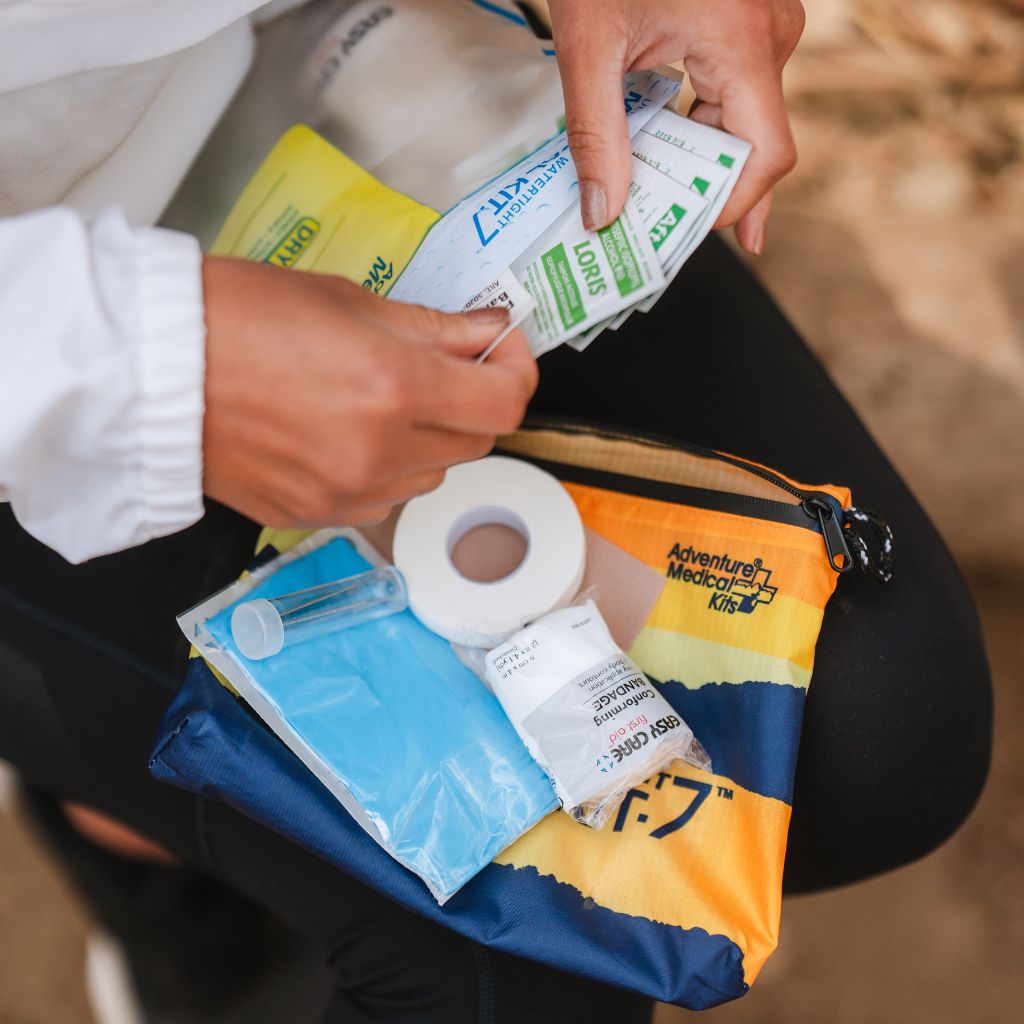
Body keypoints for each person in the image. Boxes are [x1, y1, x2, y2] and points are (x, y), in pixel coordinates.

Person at [0, 2, 991, 1022]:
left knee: (883, 725)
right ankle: (165, 878)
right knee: (513, 946)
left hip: (323, 71)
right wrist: (144, 370)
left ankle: (146, 819)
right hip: (42, 325)